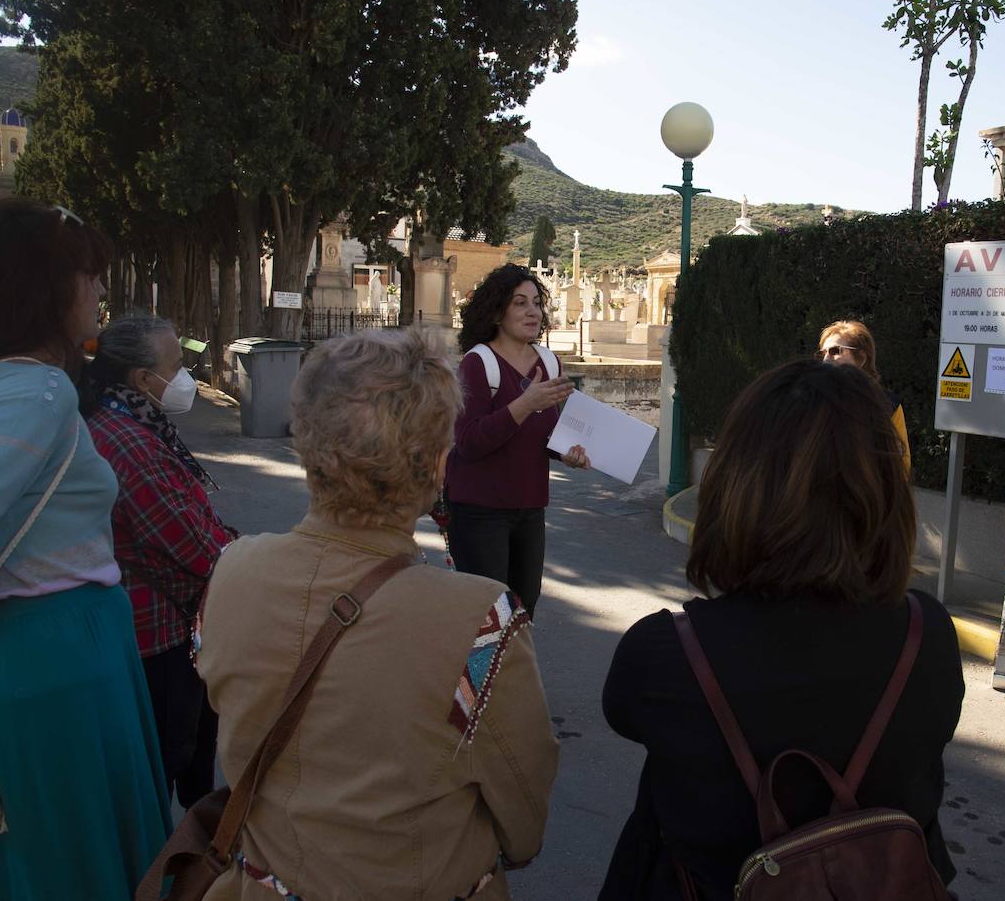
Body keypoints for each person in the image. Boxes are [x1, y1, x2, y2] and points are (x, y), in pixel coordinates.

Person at [198, 328, 560, 900]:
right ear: (439, 465)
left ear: (305, 440)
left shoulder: (230, 574)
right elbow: (523, 807)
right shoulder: (480, 621)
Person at [600, 359, 964, 900]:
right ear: (885, 492)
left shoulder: (666, 653)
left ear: (733, 486)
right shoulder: (925, 634)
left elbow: (626, 717)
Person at [0, 199, 171, 900]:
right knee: (73, 867)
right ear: (42, 285)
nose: (100, 290)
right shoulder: (36, 389)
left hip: (53, 651)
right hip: (51, 658)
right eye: (87, 273)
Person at [84, 314, 237, 806]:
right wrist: (246, 557)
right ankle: (168, 870)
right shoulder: (126, 441)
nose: (184, 377)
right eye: (176, 366)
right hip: (160, 634)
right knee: (169, 761)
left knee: (189, 759)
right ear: (141, 378)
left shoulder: (134, 420)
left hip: (169, 623)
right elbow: (191, 545)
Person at [446, 263, 589, 618]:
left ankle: (513, 675)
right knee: (488, 616)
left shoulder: (548, 363)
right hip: (480, 512)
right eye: (520, 303)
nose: (533, 312)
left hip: (529, 508)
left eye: (537, 303)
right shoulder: (478, 364)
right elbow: (469, 442)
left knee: (524, 609)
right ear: (497, 312)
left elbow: (546, 435)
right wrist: (524, 404)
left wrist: (567, 453)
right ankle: (477, 676)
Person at [817, 319, 911, 476]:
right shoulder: (814, 401)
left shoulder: (888, 406)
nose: (826, 359)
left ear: (861, 358)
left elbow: (902, 468)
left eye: (835, 351)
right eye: (823, 353)